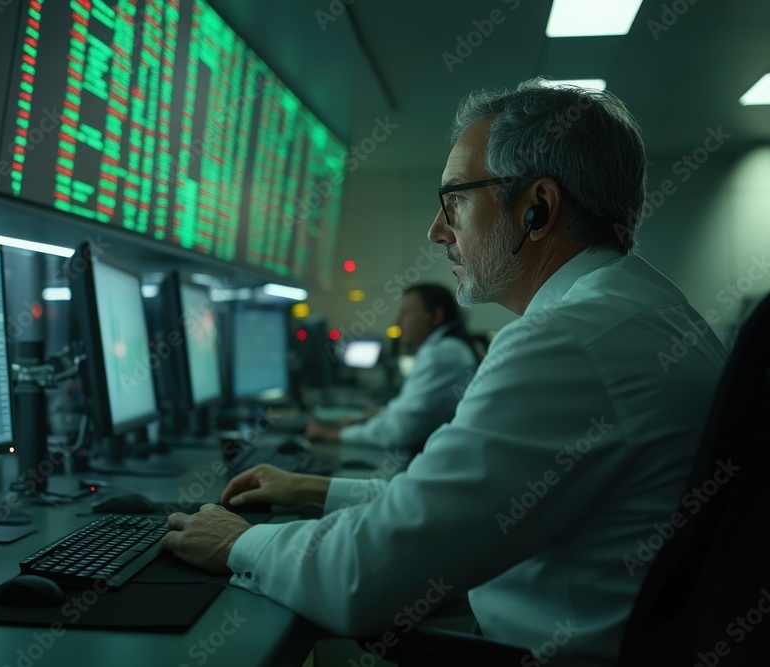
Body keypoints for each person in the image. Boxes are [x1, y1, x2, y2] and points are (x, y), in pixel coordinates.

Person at [160, 79, 727, 665]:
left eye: (455, 199)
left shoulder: (568, 342)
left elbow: (365, 576)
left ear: (538, 208)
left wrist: (239, 542)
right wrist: (316, 488)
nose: (436, 229)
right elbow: (457, 504)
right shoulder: (649, 311)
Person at [304, 283, 479, 449]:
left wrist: (330, 434)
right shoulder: (451, 348)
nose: (397, 322)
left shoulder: (442, 354)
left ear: (435, 316)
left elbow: (397, 430)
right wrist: (378, 414)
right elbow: (408, 411)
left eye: (405, 313)